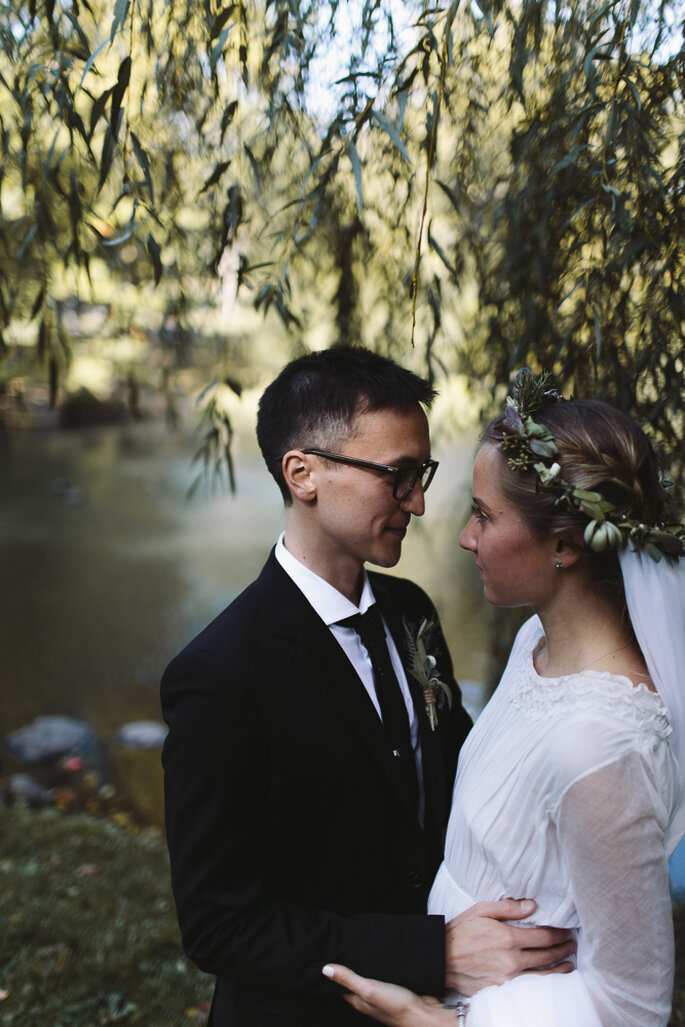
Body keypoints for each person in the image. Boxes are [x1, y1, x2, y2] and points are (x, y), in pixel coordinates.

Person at [161, 350, 576, 1026]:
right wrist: (428, 952)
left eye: (421, 474)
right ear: (303, 474)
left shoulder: (411, 611)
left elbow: (457, 783)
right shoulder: (218, 675)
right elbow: (220, 927)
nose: (416, 501)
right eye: (397, 476)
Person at [322, 370, 685, 1026]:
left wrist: (446, 1023)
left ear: (564, 545)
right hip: (449, 972)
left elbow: (631, 1006)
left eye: (484, 515)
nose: (463, 536)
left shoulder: (599, 746)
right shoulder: (532, 643)